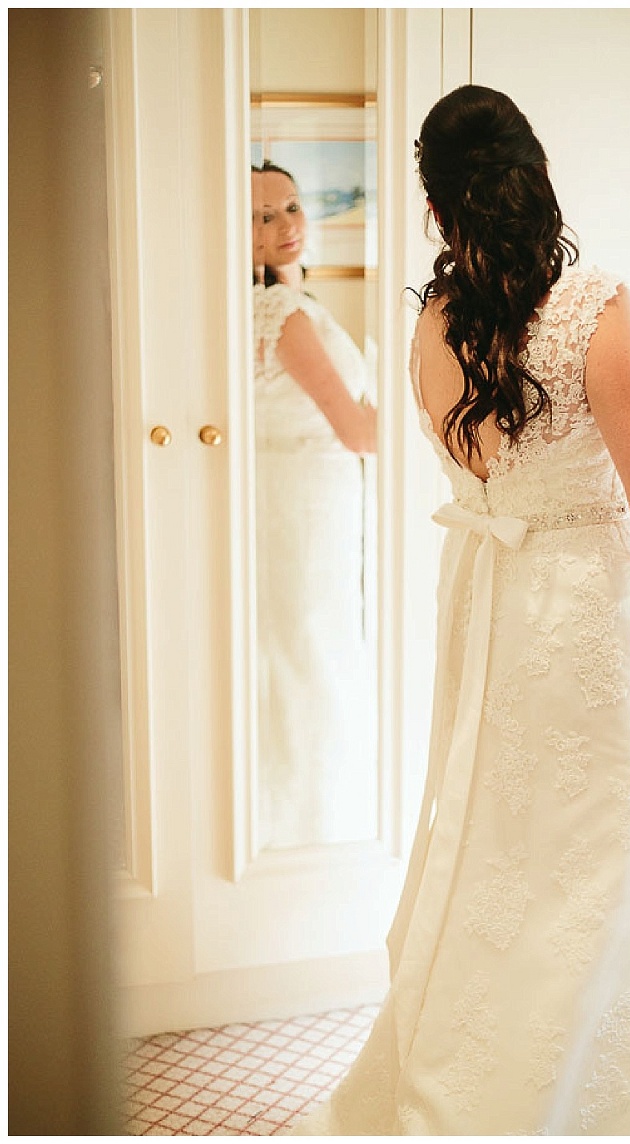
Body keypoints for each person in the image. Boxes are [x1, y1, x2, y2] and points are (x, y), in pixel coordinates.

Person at [289, 85, 630, 1134]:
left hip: (484, 600)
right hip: (580, 615)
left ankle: (470, 1072)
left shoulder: (430, 323)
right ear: (537, 173)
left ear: (438, 206)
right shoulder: (593, 306)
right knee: (586, 853)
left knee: (490, 841)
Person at [252, 161, 378, 849]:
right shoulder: (283, 313)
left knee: (297, 652)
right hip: (304, 506)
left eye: (292, 205)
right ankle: (310, 830)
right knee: (311, 654)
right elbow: (357, 431)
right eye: (262, 216)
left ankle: (294, 824)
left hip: (296, 500)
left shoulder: (284, 305)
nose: (286, 225)